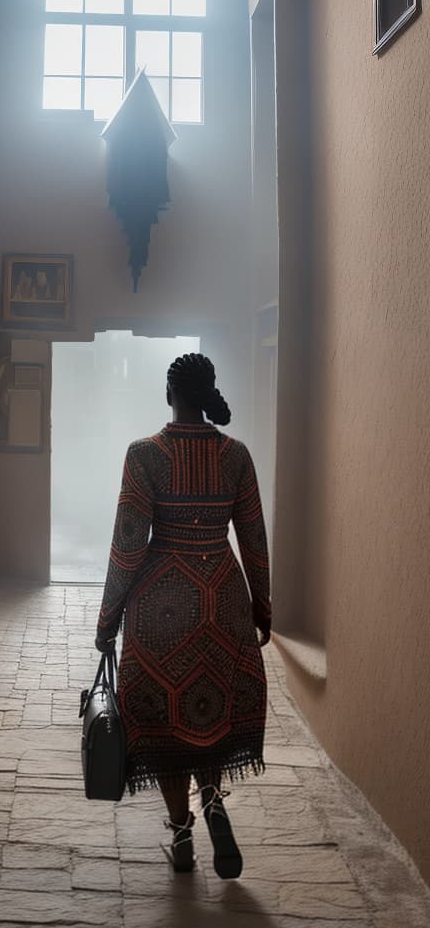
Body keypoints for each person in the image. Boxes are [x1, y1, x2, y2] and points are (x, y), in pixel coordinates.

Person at [95, 353, 271, 877]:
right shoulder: (236, 455)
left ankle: (181, 833)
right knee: (207, 702)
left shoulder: (144, 455)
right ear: (208, 391)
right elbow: (255, 540)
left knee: (165, 720)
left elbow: (128, 545)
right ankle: (215, 802)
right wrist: (263, 605)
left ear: (169, 393)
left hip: (160, 605)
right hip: (222, 595)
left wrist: (108, 619)